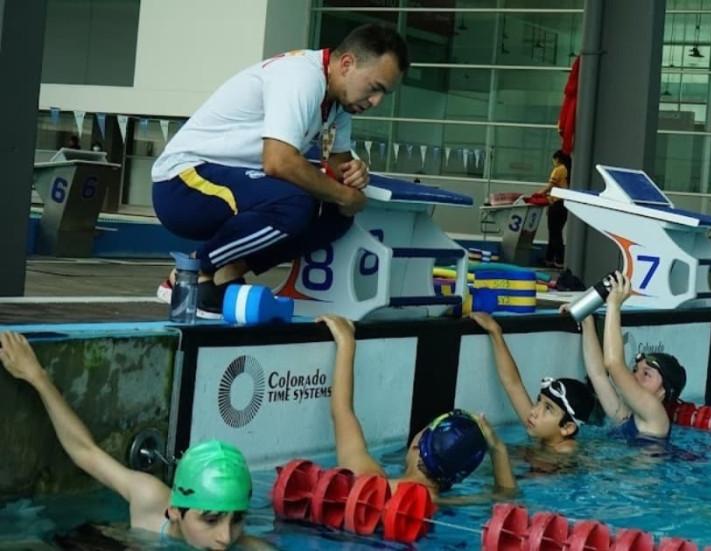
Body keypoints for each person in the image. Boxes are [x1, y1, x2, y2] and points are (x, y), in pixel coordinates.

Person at [151, 24, 408, 317]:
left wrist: (356, 174)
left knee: (335, 216)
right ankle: (188, 274)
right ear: (347, 64)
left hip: (235, 183)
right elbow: (278, 161)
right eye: (374, 88)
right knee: (294, 203)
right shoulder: (301, 77)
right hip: (182, 183)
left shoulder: (337, 103)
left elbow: (339, 166)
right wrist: (344, 194)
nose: (376, 101)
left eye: (384, 93)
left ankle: (226, 272)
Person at [0, 332, 269, 550]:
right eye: (210, 520)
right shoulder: (150, 500)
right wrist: (37, 377)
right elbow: (85, 451)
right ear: (175, 511)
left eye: (238, 519)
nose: (226, 537)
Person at [320, 315, 516, 500]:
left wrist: (346, 343)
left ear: (416, 447)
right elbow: (505, 497)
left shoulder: (369, 485)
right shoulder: (446, 503)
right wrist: (498, 449)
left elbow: (342, 411)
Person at [469, 312, 595, 454]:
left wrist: (497, 447)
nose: (533, 411)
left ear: (567, 428)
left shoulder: (565, 451)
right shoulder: (542, 429)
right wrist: (495, 331)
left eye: (548, 408)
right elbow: (513, 384)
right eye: (538, 401)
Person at [582, 272, 686, 444]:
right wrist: (586, 319)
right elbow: (598, 375)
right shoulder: (625, 414)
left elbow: (614, 364)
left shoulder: (656, 416)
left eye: (646, 374)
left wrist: (614, 305)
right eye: (636, 370)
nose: (635, 376)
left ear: (664, 392)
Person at [537, 150, 571, 268]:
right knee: (555, 232)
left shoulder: (559, 169)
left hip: (557, 204)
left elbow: (550, 186)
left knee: (554, 234)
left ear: (557, 159)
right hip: (563, 205)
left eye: (554, 160)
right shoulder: (569, 170)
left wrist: (538, 194)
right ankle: (549, 259)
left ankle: (560, 260)